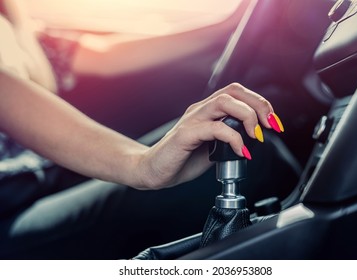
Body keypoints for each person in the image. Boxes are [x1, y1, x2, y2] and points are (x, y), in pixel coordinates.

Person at [0, 0, 298, 259]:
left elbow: (100, 54)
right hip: (10, 215)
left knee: (249, 141)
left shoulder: (14, 24)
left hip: (42, 177)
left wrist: (232, 24)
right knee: (255, 162)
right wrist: (141, 164)